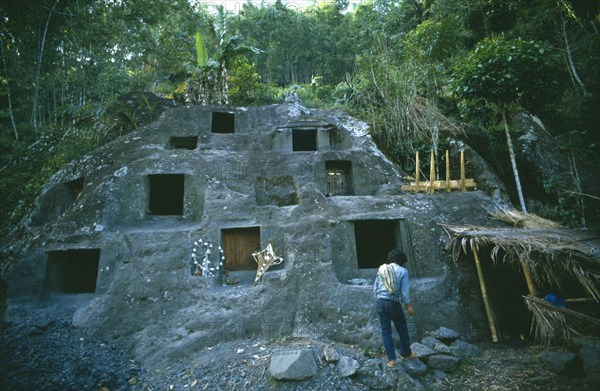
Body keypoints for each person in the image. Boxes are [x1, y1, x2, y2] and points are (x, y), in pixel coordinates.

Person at [374, 249, 416, 367]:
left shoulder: (382, 269)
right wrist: (408, 306)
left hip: (380, 302)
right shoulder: (403, 271)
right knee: (402, 328)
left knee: (386, 331)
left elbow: (375, 288)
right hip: (393, 303)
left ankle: (391, 360)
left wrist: (379, 300)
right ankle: (406, 353)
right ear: (402, 260)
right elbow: (404, 292)